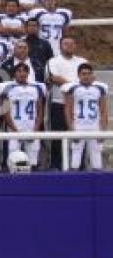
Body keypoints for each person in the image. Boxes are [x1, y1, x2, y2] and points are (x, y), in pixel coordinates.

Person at [46, 37, 87, 170]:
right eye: (65, 44)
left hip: (79, 105)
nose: (69, 46)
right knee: (57, 136)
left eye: (71, 43)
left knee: (80, 136)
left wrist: (73, 85)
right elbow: (55, 78)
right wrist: (77, 85)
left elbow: (89, 77)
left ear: (75, 45)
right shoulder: (53, 61)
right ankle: (56, 165)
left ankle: (80, 165)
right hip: (59, 103)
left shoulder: (82, 61)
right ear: (60, 46)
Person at [0, 63, 46, 170]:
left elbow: (40, 111)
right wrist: (15, 130)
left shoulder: (36, 88)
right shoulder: (8, 88)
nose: (22, 73)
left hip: (31, 127)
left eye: (24, 71)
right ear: (14, 74)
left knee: (33, 161)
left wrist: (36, 129)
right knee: (14, 160)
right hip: (14, 128)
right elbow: (6, 112)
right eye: (19, 71)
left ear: (28, 73)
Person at [63, 63, 109, 171]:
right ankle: (74, 182)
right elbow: (68, 109)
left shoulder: (99, 89)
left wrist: (103, 130)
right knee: (76, 157)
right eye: (83, 74)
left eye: (88, 74)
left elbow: (103, 110)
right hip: (79, 126)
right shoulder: (73, 88)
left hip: (95, 126)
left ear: (92, 75)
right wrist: (71, 128)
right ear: (78, 75)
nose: (86, 76)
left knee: (96, 158)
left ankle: (97, 184)